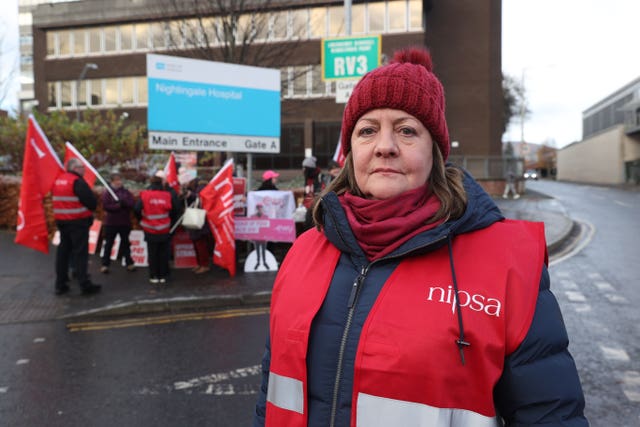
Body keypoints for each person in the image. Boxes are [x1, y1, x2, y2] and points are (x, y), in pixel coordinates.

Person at [253, 47, 587, 426]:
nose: (385, 146)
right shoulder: (303, 252)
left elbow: (551, 415)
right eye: (367, 130)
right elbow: (271, 392)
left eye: (407, 130)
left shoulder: (510, 265)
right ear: (350, 151)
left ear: (436, 151)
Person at [52, 157, 101, 296]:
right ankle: (84, 284)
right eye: (82, 167)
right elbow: (91, 202)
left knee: (63, 252)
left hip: (62, 222)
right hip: (78, 223)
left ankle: (60, 284)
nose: (84, 170)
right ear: (75, 168)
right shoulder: (77, 182)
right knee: (80, 253)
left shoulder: (58, 180)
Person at [134, 174, 178, 284]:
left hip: (150, 229)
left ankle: (153, 276)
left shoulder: (145, 195)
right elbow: (176, 209)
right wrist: (170, 222)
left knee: (152, 253)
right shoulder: (167, 195)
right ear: (161, 184)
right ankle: (163, 275)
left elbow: (136, 209)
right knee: (163, 253)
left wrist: (141, 220)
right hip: (164, 229)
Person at [100, 173, 136, 273]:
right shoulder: (107, 192)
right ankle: (105, 264)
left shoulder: (125, 192)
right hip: (111, 223)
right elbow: (106, 206)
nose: (119, 182)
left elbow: (132, 203)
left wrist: (124, 203)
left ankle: (129, 263)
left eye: (120, 180)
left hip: (124, 222)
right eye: (116, 180)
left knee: (125, 243)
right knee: (109, 244)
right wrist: (118, 206)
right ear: (112, 182)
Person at [185, 177, 214, 274]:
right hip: (203, 221)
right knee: (200, 245)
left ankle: (203, 265)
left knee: (199, 245)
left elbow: (198, 198)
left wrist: (190, 195)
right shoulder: (208, 188)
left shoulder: (200, 189)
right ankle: (201, 264)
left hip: (199, 221)